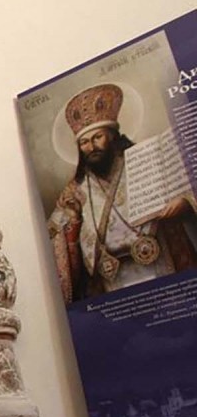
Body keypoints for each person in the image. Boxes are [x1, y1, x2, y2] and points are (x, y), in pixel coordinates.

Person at [47, 83, 197, 302]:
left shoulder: (145, 161)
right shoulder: (75, 189)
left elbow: (187, 187)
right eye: (84, 142)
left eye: (97, 137)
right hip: (111, 279)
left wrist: (184, 202)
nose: (91, 147)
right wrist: (71, 221)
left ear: (113, 135)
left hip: (162, 261)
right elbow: (55, 235)